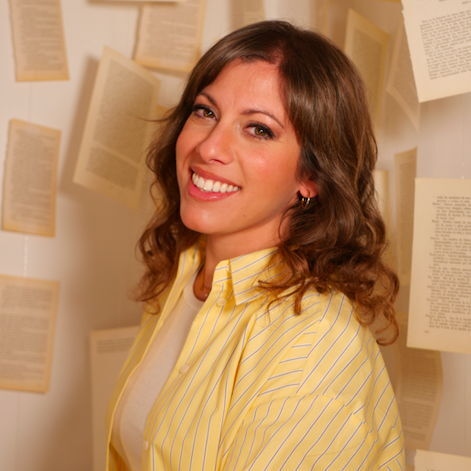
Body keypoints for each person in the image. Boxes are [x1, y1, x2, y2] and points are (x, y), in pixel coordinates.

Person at [105, 20, 405, 470]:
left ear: (311, 176)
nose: (210, 148)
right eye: (205, 112)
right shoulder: (187, 277)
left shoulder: (314, 347)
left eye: (259, 130)